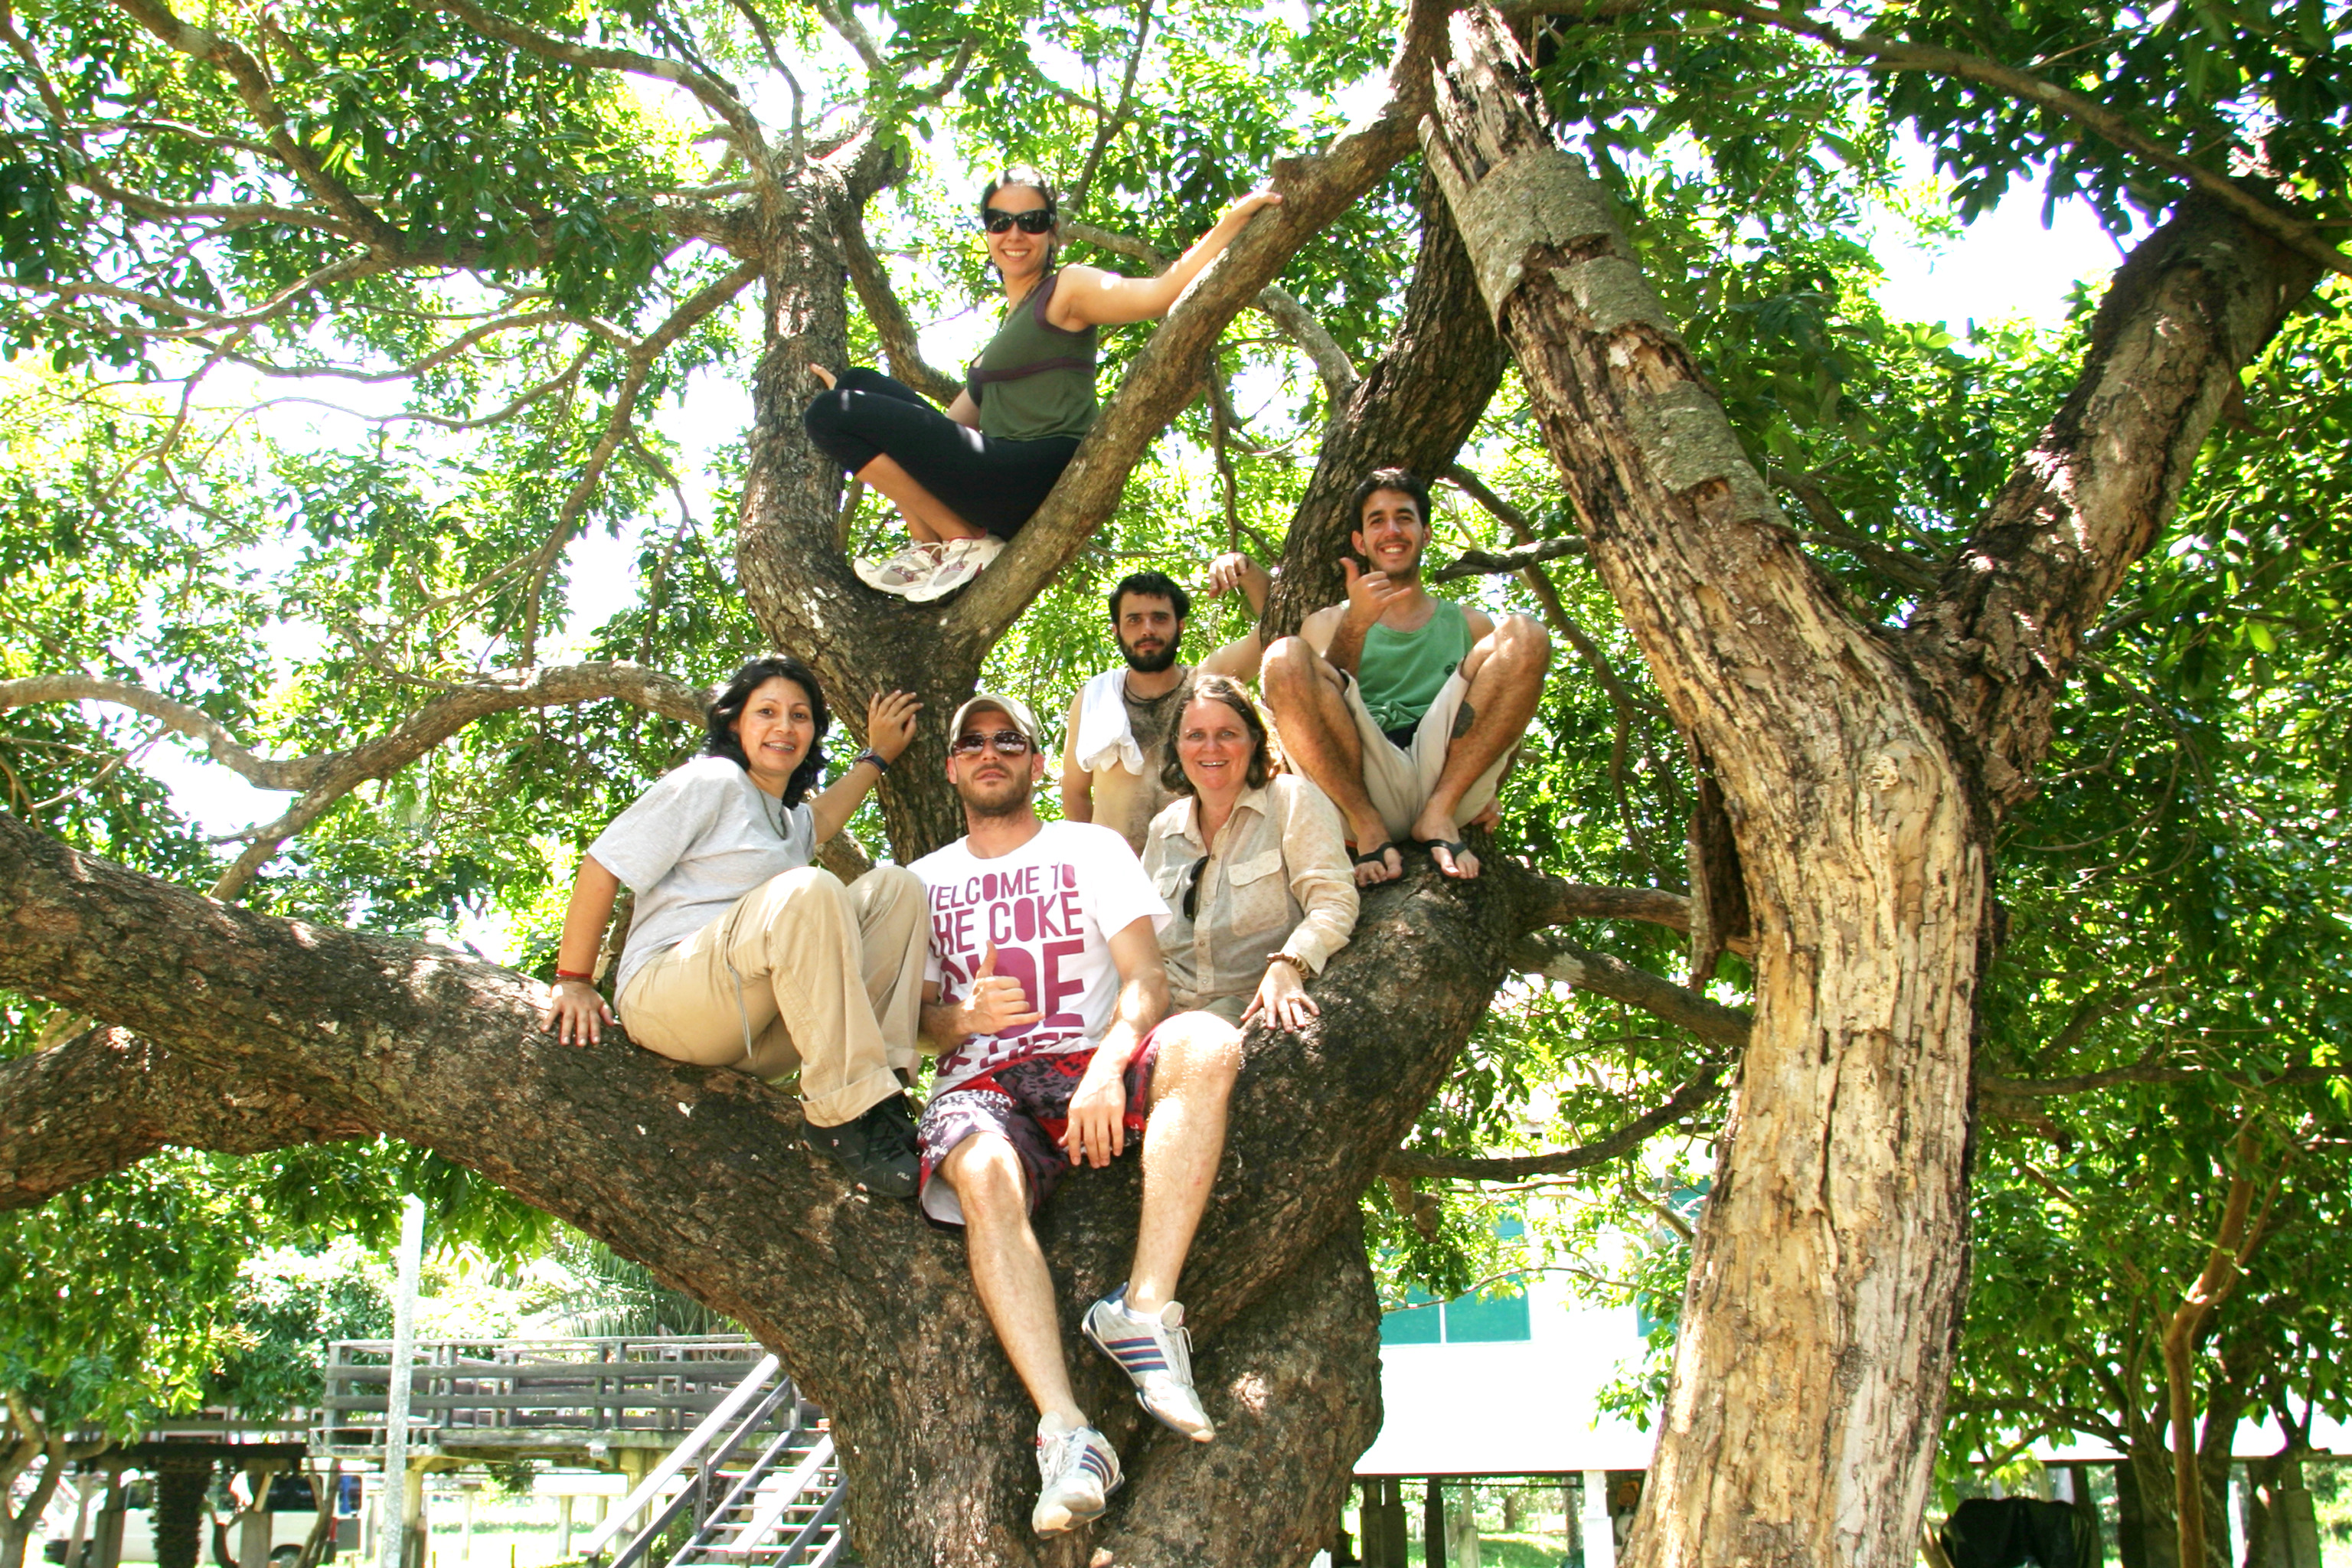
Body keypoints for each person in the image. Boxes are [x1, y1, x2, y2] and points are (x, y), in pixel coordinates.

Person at [910, 693, 1241, 1536]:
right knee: (983, 1172)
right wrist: (962, 1020)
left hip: (1082, 1064)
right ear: (951, 766)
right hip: (980, 1085)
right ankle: (1068, 1434)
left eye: (1008, 740)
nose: (991, 752)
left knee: (1205, 1041)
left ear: (1032, 760)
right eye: (972, 742)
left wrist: (1106, 1065)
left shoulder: (1091, 846)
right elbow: (903, 1022)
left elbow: (1147, 981)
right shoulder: (919, 882)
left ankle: (1142, 1308)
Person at [541, 655, 929, 1197]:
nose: (784, 727)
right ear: (733, 724)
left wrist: (879, 755)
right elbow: (604, 865)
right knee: (811, 889)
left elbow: (821, 821)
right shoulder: (712, 780)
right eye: (766, 711)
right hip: (671, 1001)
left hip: (758, 1032)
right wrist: (574, 979)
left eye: (800, 716)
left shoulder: (784, 822)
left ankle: (882, 1102)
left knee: (896, 889)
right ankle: (849, 1116)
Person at [803, 168, 1282, 602]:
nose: (1015, 234)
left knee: (829, 414)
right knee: (857, 382)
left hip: (1034, 469)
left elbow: (1162, 292)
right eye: (1000, 222)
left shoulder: (1066, 290)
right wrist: (859, 401)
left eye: (1031, 221)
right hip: (995, 471)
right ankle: (934, 547)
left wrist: (1233, 218)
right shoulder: (1007, 329)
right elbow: (939, 433)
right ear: (988, 232)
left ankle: (959, 541)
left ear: (1052, 231)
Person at [1210, 468, 1553, 884]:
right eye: (1378, 520)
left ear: (1426, 533)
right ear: (1361, 542)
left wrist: (1492, 786)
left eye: (1404, 518)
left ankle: (1439, 817)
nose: (1392, 530)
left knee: (1526, 634)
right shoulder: (1328, 621)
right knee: (1284, 655)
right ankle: (1368, 827)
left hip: (1445, 777)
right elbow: (1313, 706)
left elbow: (1505, 715)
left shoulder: (1469, 624)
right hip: (1358, 784)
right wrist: (1356, 625)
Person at [1141, 675, 1357, 1030]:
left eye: (1227, 734)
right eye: (1196, 735)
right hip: (1158, 1003)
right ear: (1177, 747)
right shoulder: (1163, 828)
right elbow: (1143, 938)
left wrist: (1290, 962)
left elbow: (1334, 902)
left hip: (1237, 1009)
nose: (1211, 747)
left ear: (1254, 741)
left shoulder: (1291, 801)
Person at [1060, 570, 1199, 854]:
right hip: (1117, 879)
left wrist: (1244, 570)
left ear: (1180, 626)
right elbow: (1074, 793)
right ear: (1116, 630)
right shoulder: (1094, 698)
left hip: (1198, 873)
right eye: (1134, 620)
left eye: (1159, 618)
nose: (1147, 630)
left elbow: (1268, 637)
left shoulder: (1205, 691)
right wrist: (1092, 863)